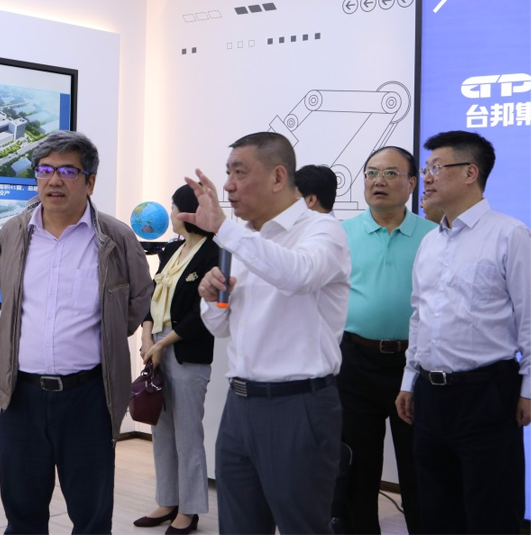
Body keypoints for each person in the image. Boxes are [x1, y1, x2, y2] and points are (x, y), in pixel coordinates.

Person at [181, 131, 351, 534]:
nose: (228, 186)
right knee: (238, 525)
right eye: (227, 173)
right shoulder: (244, 240)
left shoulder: (322, 230)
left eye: (239, 173)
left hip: (298, 405)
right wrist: (210, 297)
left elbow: (298, 275)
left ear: (278, 177)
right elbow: (222, 326)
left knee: (302, 526)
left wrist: (226, 230)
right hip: (240, 405)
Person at [0, 130, 153, 534]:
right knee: (22, 513)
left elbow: (138, 298)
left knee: (91, 515)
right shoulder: (14, 232)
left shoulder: (115, 236)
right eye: (45, 170)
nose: (54, 180)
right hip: (21, 396)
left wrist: (111, 333)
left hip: (89, 398)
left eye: (67, 171)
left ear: (90, 182)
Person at [396, 130, 530, 534]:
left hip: (486, 393)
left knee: (491, 512)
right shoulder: (429, 243)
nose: (427, 177)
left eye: (437, 167)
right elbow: (419, 316)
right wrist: (409, 380)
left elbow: (529, 316)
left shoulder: (510, 234)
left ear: (471, 172)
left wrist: (528, 388)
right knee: (437, 511)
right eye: (426, 168)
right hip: (430, 396)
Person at [334, 146, 435, 534]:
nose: (379, 181)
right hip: (355, 361)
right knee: (357, 466)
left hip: (417, 365)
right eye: (372, 173)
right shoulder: (341, 234)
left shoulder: (432, 236)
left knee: (419, 464)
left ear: (412, 183)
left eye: (391, 173)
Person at [134, 184, 220, 535]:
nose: (169, 214)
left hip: (185, 350)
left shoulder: (214, 253)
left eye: (173, 207)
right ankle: (167, 500)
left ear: (187, 212)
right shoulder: (171, 249)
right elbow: (152, 295)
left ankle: (190, 509)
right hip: (156, 343)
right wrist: (147, 337)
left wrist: (163, 343)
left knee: (187, 434)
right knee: (162, 428)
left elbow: (204, 314)